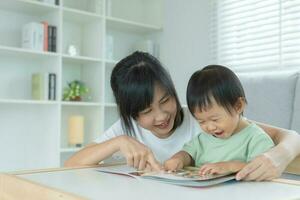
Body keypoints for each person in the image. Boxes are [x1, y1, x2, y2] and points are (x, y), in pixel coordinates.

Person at [65, 51, 300, 181]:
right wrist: (118, 142)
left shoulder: (201, 118)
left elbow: (286, 135)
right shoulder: (126, 129)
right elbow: (72, 164)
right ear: (132, 115)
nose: (161, 116)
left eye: (166, 100)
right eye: (146, 111)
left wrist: (280, 155)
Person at [164, 65, 275, 177]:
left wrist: (229, 166)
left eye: (214, 119)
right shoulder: (203, 139)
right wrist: (178, 159)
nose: (210, 127)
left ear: (238, 106)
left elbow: (260, 169)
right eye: (201, 121)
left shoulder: (256, 138)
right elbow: (187, 154)